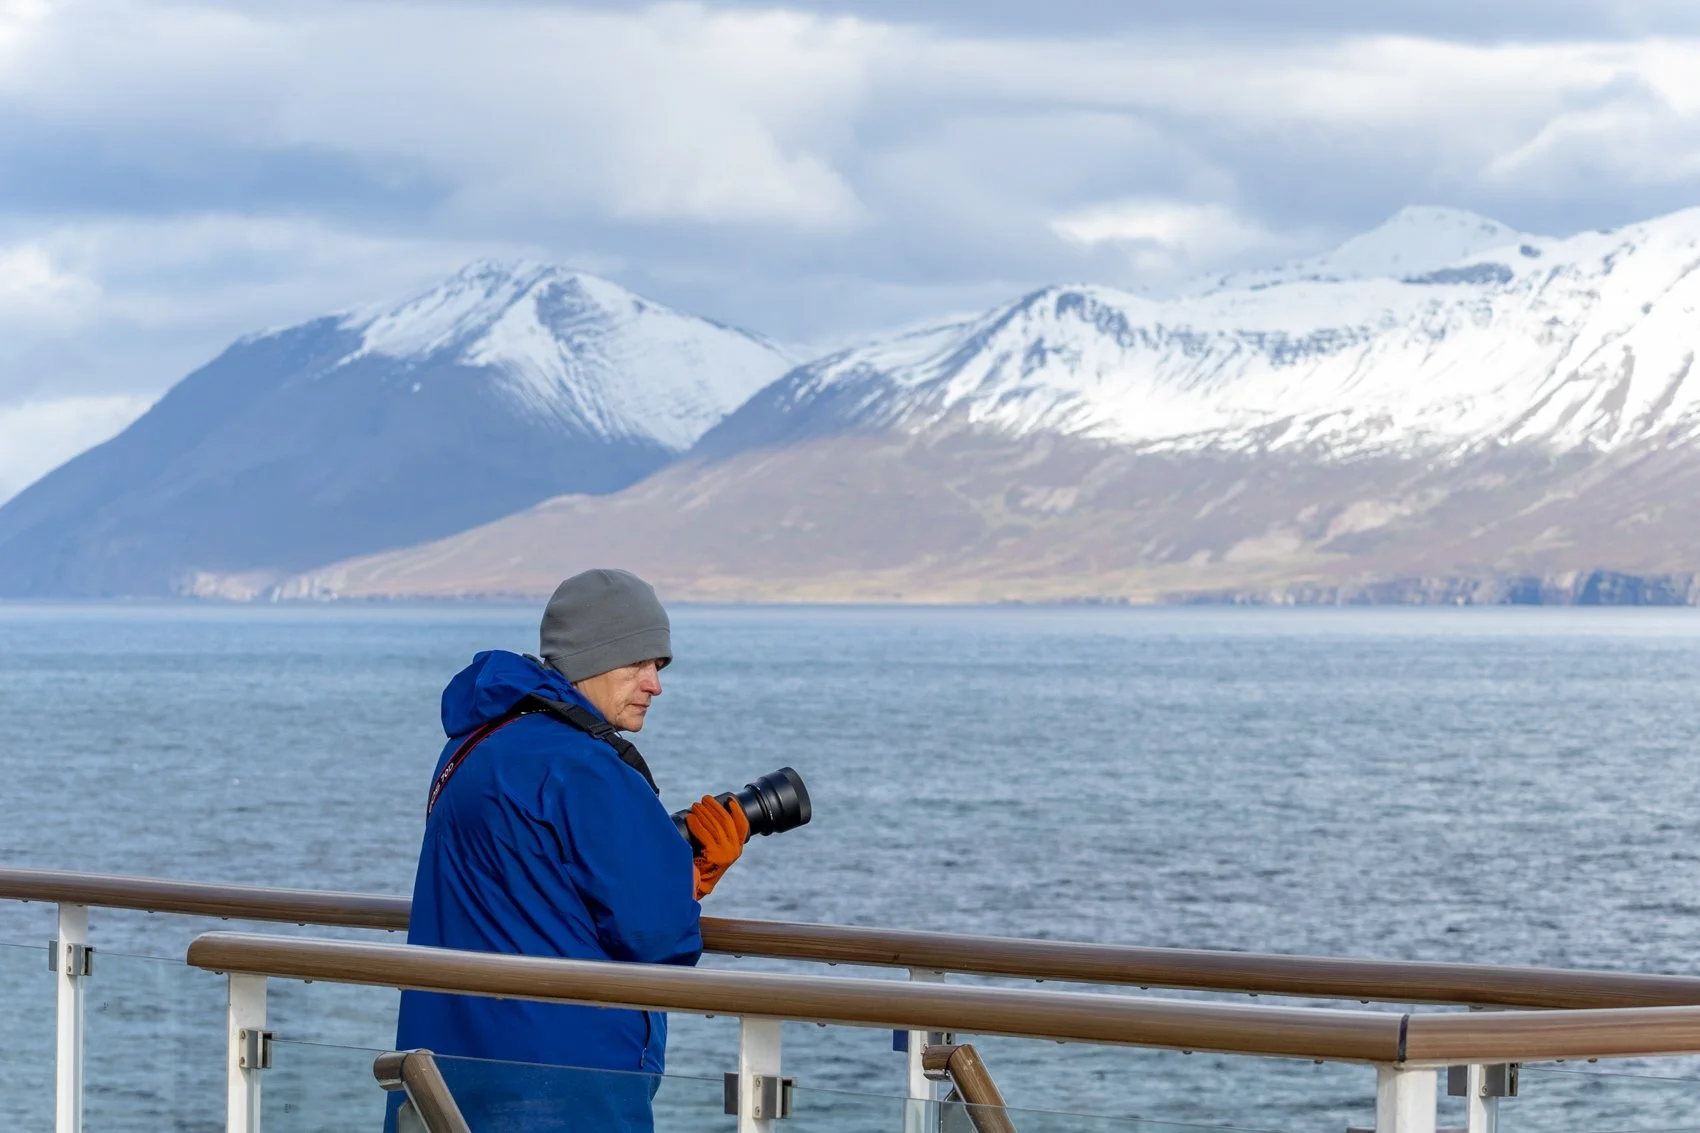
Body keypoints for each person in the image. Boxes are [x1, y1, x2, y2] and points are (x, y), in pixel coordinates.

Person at [391, 568, 749, 1133]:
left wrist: (672, 873)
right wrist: (685, 884)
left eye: (659, 665)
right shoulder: (585, 766)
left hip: (452, 1067)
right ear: (590, 658)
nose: (654, 684)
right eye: (637, 663)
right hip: (567, 1085)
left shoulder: (474, 744)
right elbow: (657, 941)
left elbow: (533, 889)